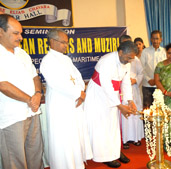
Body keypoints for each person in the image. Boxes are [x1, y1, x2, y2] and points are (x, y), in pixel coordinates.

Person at [40, 28, 92, 169]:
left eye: (67, 42)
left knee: (74, 136)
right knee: (63, 138)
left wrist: (81, 91)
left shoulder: (67, 59)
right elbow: (57, 83)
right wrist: (78, 94)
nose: (66, 45)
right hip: (60, 104)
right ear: (52, 41)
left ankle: (77, 164)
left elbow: (78, 77)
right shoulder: (48, 60)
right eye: (63, 42)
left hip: (74, 102)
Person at [84, 41, 137, 168]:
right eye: (128, 57)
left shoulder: (126, 63)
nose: (130, 60)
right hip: (98, 95)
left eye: (132, 58)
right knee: (101, 127)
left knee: (112, 126)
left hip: (112, 95)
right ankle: (104, 156)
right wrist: (120, 105)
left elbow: (125, 82)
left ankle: (115, 152)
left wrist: (130, 100)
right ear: (120, 52)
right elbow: (106, 86)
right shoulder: (106, 61)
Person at [0, 14, 43, 169]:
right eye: (16, 33)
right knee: (15, 160)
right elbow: (3, 85)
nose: (21, 37)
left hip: (32, 111)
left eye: (21, 33)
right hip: (12, 117)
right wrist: (29, 100)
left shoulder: (21, 53)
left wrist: (37, 94)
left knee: (35, 154)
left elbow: (34, 76)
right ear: (0, 32)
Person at [119, 36, 144, 149]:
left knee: (134, 112)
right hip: (121, 91)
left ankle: (135, 138)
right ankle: (124, 139)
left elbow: (141, 73)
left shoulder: (135, 59)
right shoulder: (118, 59)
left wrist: (135, 80)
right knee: (124, 113)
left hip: (133, 88)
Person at [140, 30, 166, 109]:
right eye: (153, 39)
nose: (155, 41)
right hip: (147, 85)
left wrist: (157, 80)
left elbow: (166, 68)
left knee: (160, 109)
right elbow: (142, 68)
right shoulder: (145, 51)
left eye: (157, 38)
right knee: (147, 109)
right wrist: (148, 79)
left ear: (161, 39)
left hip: (161, 85)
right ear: (151, 39)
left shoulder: (165, 52)